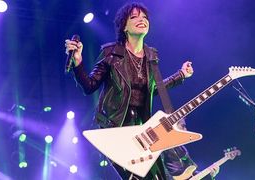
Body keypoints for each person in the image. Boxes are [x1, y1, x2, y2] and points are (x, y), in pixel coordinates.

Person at [65, 2, 194, 179]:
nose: (141, 20)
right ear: (124, 26)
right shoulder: (111, 53)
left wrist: (181, 75)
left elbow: (154, 89)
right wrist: (78, 63)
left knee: (158, 176)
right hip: (115, 127)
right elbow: (89, 86)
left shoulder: (151, 56)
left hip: (142, 128)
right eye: (134, 17)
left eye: (144, 17)